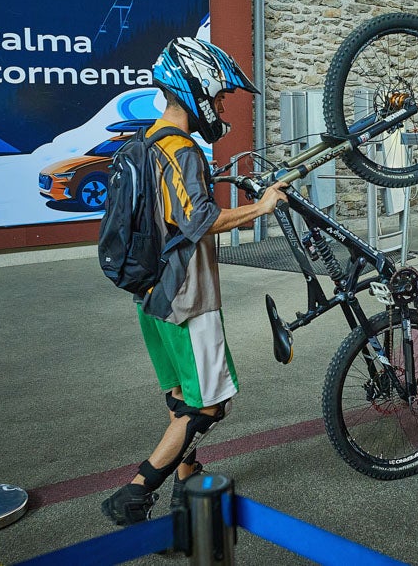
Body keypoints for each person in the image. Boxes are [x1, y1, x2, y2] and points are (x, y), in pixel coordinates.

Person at [101, 38, 288, 526]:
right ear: (196, 89)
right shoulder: (181, 149)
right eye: (220, 95)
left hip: (150, 296)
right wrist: (261, 207)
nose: (223, 105)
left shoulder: (147, 142)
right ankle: (136, 492)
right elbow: (198, 219)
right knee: (210, 405)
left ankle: (187, 478)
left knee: (184, 395)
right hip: (187, 297)